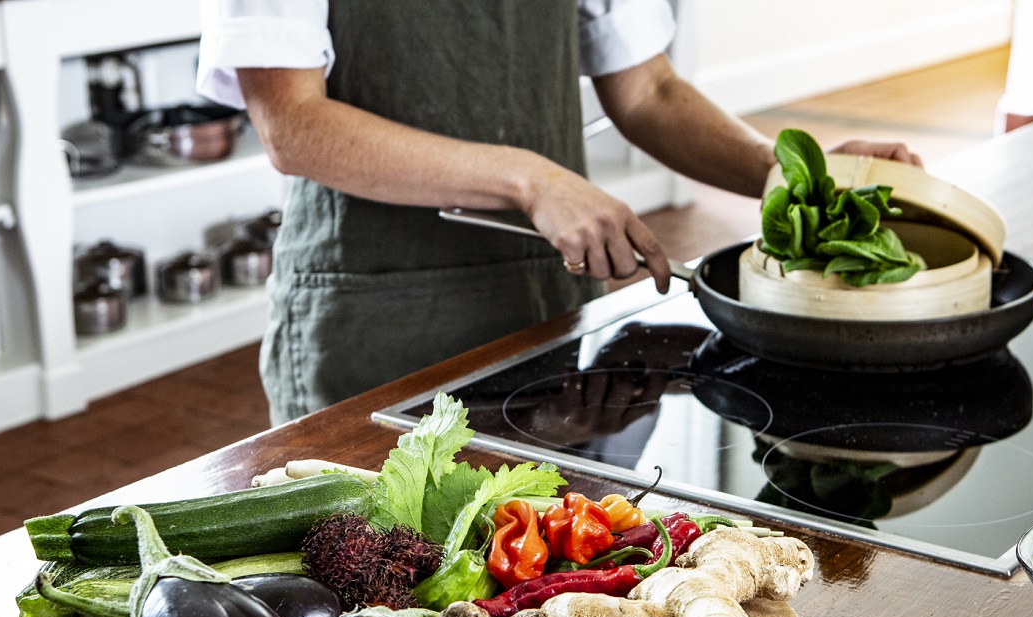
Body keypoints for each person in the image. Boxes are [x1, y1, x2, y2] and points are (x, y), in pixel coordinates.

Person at [197, 0, 919, 423]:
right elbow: (292, 126)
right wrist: (532, 182)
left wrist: (785, 175)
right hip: (374, 319)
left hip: (545, 305)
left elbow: (648, 91)